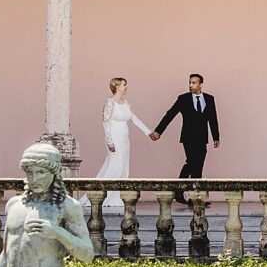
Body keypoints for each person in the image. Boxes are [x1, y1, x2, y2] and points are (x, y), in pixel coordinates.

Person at [151, 73, 221, 203]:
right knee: (191, 161)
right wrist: (158, 131)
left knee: (198, 165)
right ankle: (179, 191)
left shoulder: (209, 99)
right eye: (190, 82)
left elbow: (213, 118)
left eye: (194, 83)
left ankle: (195, 197)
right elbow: (170, 114)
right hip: (188, 137)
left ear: (201, 84)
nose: (191, 85)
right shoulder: (183, 99)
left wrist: (215, 136)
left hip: (202, 138)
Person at [92, 77, 151, 212]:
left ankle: (117, 197)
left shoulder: (126, 103)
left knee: (124, 166)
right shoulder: (110, 103)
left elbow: (133, 119)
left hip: (125, 138)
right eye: (124, 85)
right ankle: (101, 195)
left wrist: (148, 132)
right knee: (115, 166)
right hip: (114, 138)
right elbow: (105, 122)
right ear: (117, 86)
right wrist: (109, 141)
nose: (126, 87)